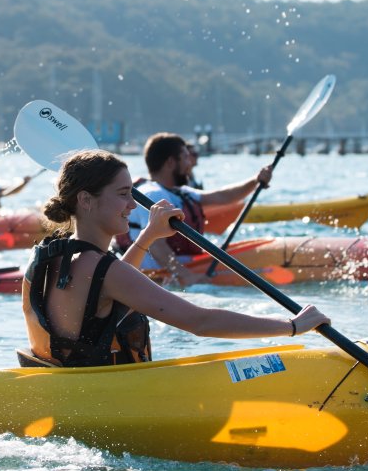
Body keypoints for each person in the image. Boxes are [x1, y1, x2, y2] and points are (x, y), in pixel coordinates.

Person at [22, 149, 329, 367]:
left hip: (68, 389)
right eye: (123, 194)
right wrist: (292, 326)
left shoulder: (49, 259)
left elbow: (104, 292)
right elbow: (201, 321)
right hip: (105, 399)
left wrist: (148, 237)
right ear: (86, 200)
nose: (132, 204)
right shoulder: (107, 271)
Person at [115, 132, 271, 286]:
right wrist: (186, 276)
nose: (190, 163)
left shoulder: (179, 191)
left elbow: (223, 197)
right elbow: (156, 246)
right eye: (184, 157)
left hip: (182, 266)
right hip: (155, 275)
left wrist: (256, 181)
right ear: (170, 162)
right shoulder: (153, 195)